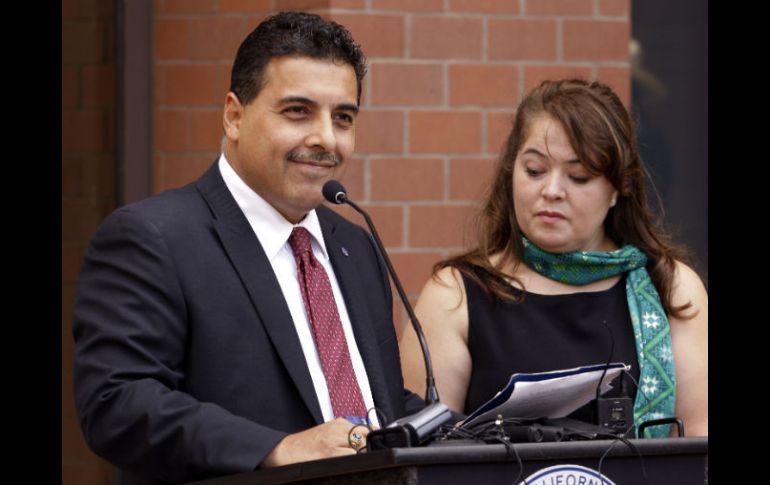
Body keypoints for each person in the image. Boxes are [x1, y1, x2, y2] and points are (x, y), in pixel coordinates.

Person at [73, 11, 423, 484]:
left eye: (343, 117)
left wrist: (483, 428)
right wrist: (276, 449)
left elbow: (376, 401)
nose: (325, 138)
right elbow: (118, 404)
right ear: (234, 116)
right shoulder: (152, 238)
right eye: (298, 111)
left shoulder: (354, 246)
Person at [400, 78, 707, 438]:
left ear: (618, 189)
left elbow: (697, 443)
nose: (551, 191)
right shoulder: (456, 295)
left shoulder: (670, 286)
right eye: (534, 170)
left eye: (579, 177)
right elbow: (419, 454)